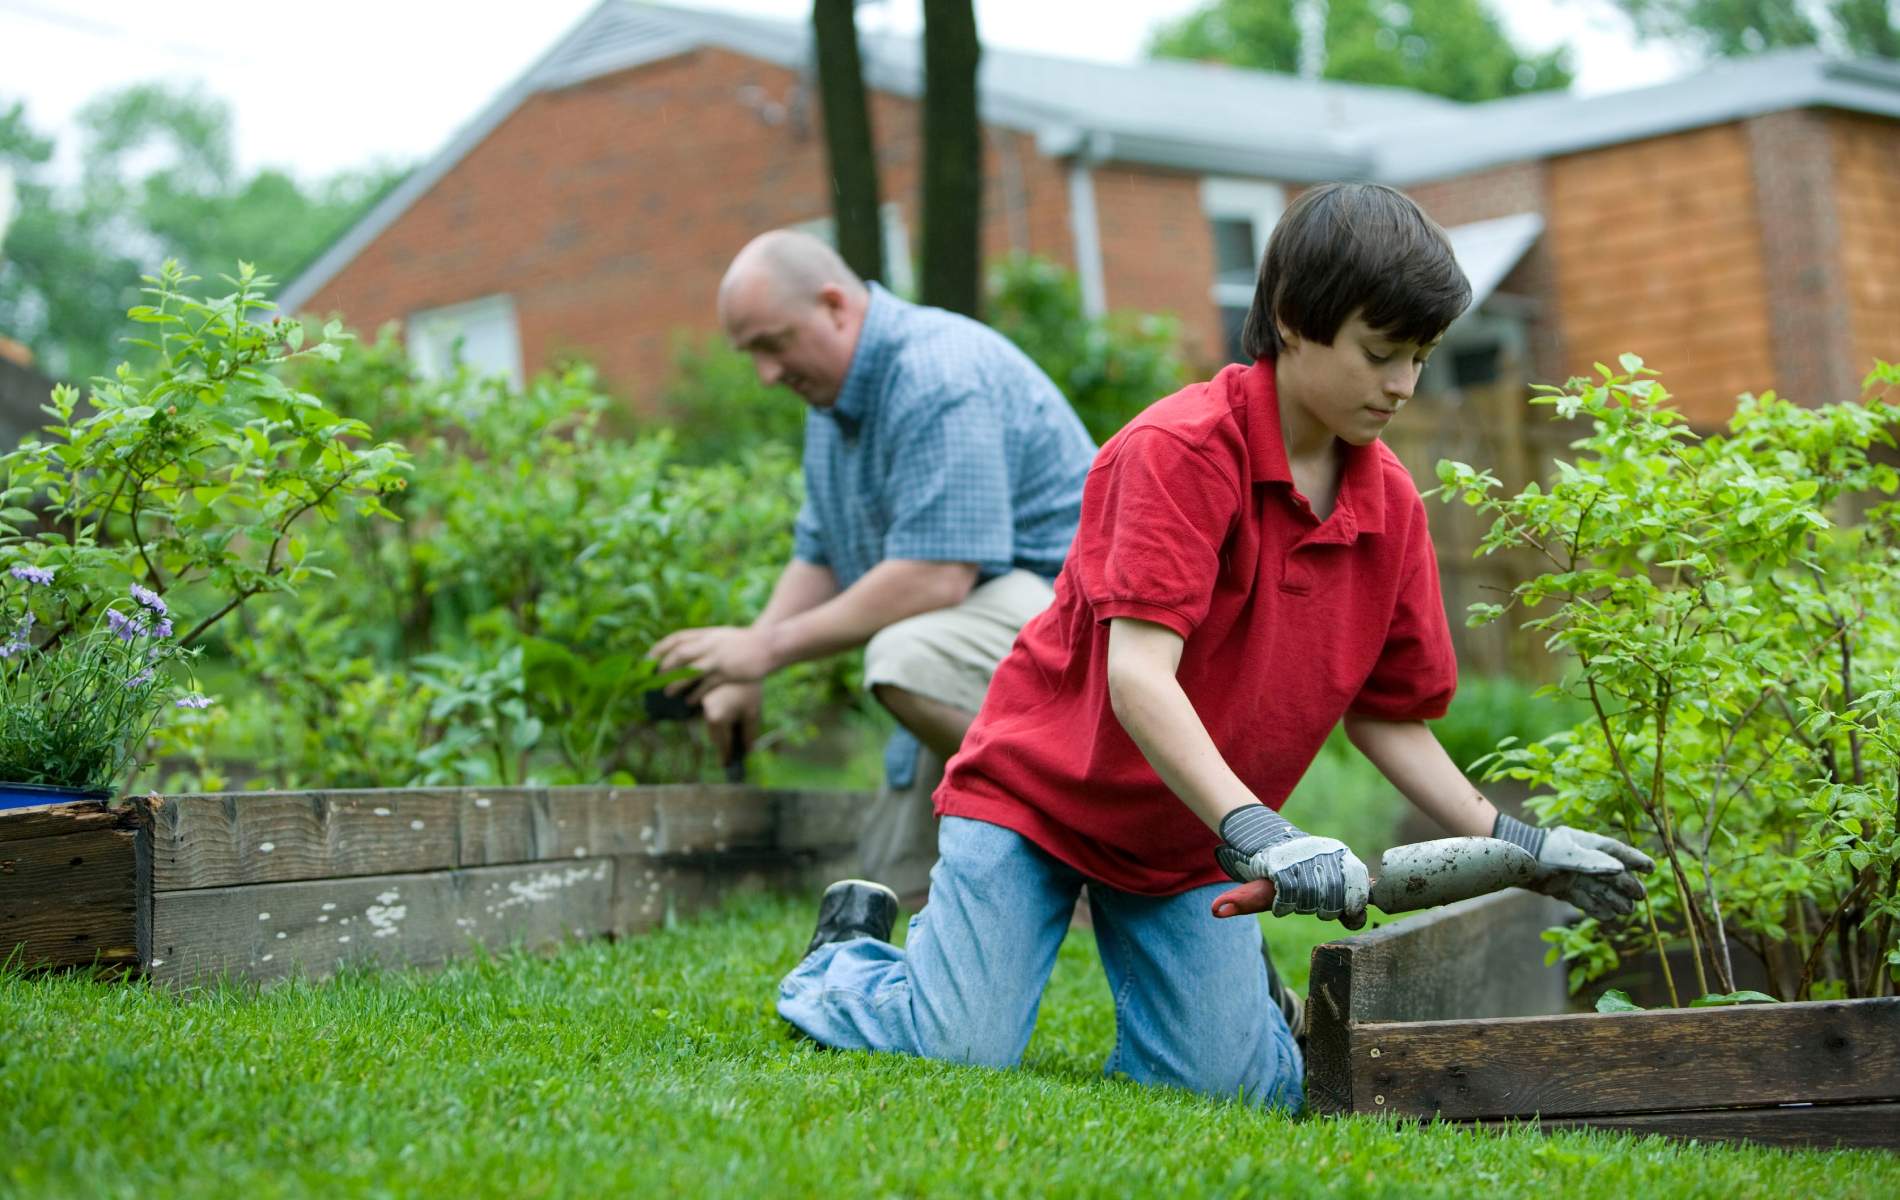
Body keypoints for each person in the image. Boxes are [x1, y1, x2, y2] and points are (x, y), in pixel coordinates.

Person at [774, 183, 1653, 1110]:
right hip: (1038, 802)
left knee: (1230, 1090)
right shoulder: (1178, 453)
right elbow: (1139, 678)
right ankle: (848, 959)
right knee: (956, 1047)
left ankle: (1237, 1012)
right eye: (1380, 353)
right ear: (1290, 321)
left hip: (1189, 839)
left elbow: (1388, 720)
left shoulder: (1389, 505)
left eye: (1421, 358)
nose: (1403, 385)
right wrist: (1264, 832)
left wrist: (1525, 844)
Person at [649, 231, 1096, 905]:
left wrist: (766, 650)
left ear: (834, 305)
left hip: (1084, 644)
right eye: (752, 356)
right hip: (985, 646)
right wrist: (742, 666)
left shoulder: (936, 374)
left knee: (906, 657)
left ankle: (1093, 837)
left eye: (772, 344)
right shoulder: (833, 406)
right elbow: (821, 552)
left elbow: (936, 575)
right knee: (889, 885)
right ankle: (1034, 857)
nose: (766, 375)